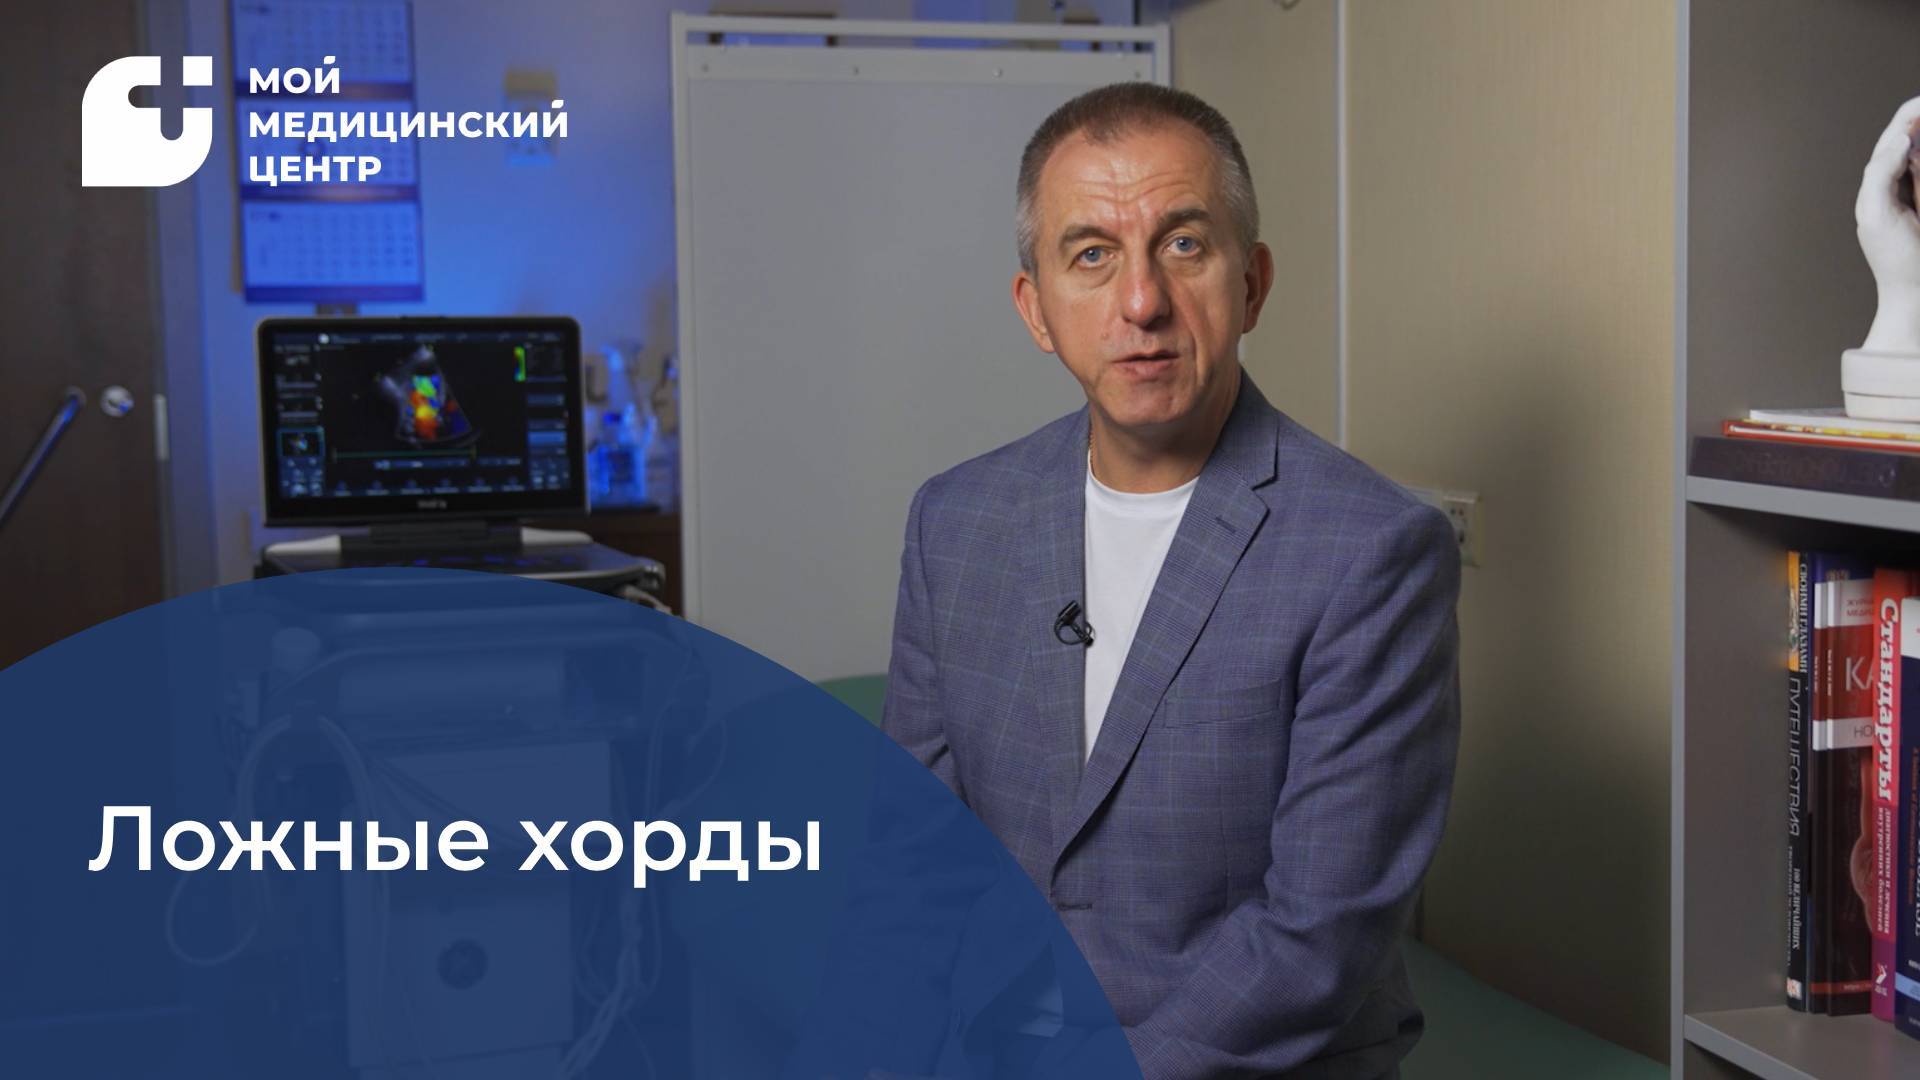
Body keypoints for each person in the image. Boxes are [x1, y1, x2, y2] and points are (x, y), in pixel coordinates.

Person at [881, 82, 1463, 1079]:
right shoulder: (956, 522)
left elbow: (1318, 936)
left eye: (1184, 244)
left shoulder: (1372, 551)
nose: (1141, 302)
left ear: (1253, 284)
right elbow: (913, 857)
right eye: (1091, 255)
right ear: (1035, 308)